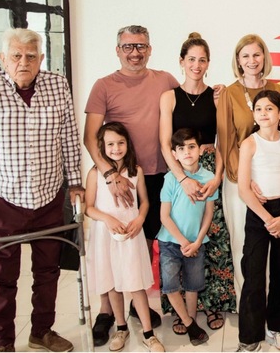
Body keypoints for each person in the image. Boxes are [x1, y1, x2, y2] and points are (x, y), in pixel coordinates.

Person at [0, 28, 84, 352]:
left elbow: (69, 135)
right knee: (2, 278)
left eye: (30, 56)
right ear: (2, 58)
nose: (23, 62)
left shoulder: (58, 85)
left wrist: (75, 182)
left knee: (48, 271)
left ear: (41, 58)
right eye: (16, 56)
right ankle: (2, 342)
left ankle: (42, 331)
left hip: (48, 196)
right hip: (2, 200)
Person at [84, 25, 178, 345]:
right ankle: (107, 312)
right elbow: (90, 137)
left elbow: (189, 100)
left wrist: (215, 93)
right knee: (111, 244)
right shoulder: (103, 86)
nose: (135, 52)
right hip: (119, 177)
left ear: (149, 49)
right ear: (118, 50)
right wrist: (110, 175)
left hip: (157, 175)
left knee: (144, 241)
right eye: (128, 47)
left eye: (140, 46)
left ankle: (137, 303)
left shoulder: (165, 80)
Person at [159, 32, 235, 334]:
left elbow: (223, 140)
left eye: (202, 60)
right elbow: (165, 144)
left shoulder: (216, 96)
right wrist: (181, 179)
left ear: (208, 63)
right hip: (179, 171)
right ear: (181, 61)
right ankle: (180, 310)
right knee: (181, 238)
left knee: (213, 239)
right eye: (191, 59)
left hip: (209, 173)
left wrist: (217, 176)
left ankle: (213, 303)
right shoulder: (169, 97)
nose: (197, 65)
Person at [216, 33, 280, 311]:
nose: (251, 60)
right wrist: (245, 180)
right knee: (244, 246)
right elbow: (226, 141)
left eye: (256, 54)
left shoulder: (277, 89)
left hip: (273, 182)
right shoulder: (229, 94)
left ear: (264, 57)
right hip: (240, 182)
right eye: (245, 55)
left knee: (273, 244)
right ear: (238, 60)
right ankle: (247, 306)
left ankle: (271, 306)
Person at [85, 122, 164, 352]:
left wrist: (140, 219)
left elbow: (145, 202)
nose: (116, 148)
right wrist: (107, 219)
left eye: (120, 143)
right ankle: (121, 327)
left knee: (135, 283)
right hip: (106, 235)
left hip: (131, 234)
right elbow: (89, 208)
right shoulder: (95, 173)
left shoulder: (136, 171)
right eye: (110, 144)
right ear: (102, 146)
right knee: (112, 283)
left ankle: (148, 334)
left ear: (128, 144)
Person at [237, 90, 280, 352]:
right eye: (259, 109)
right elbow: (244, 189)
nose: (263, 113)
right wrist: (268, 220)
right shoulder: (249, 143)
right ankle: (250, 335)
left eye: (269, 108)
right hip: (259, 213)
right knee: (253, 274)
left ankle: (278, 326)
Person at [157, 128, 217, 347]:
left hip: (196, 243)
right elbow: (164, 216)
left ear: (200, 150)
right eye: (181, 149)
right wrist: (183, 242)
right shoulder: (171, 178)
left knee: (193, 285)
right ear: (174, 154)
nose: (187, 152)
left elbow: (209, 213)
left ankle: (191, 322)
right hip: (170, 242)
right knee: (171, 286)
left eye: (192, 147)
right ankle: (189, 323)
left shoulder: (208, 178)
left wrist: (198, 241)